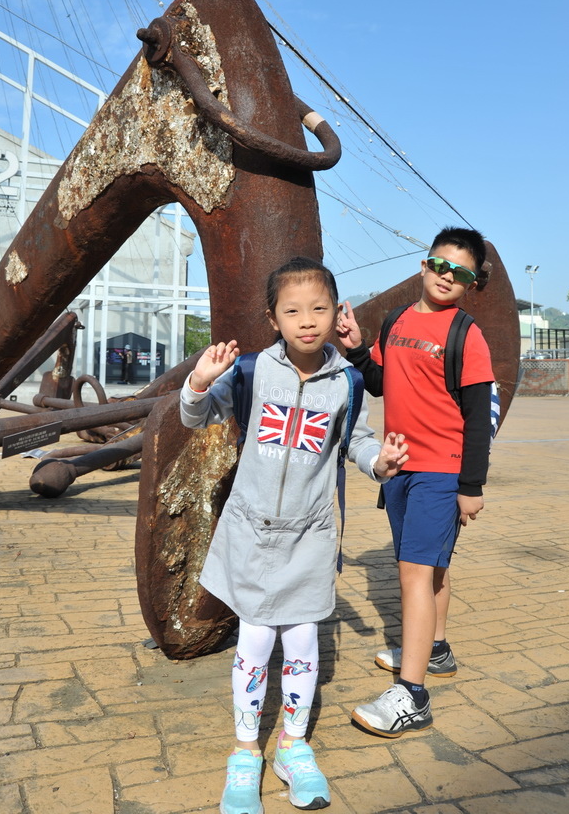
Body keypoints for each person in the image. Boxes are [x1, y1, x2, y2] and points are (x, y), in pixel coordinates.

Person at [180, 257, 408, 814]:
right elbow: (194, 416)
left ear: (336, 313)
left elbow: (353, 441)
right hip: (253, 532)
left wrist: (378, 462)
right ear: (273, 318)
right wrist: (197, 383)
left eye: (320, 308)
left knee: (303, 640)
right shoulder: (254, 371)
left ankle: (292, 747)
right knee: (256, 641)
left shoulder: (348, 381)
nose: (308, 320)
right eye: (293, 310)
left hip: (309, 533)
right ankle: (243, 756)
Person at [337, 227, 495, 739]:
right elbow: (381, 383)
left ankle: (413, 695)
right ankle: (437, 648)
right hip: (400, 466)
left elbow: (477, 417)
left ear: (472, 283)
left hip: (442, 470)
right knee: (432, 569)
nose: (448, 276)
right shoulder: (397, 319)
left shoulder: (467, 335)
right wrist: (359, 350)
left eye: (462, 272)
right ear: (424, 265)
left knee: (412, 573)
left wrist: (471, 486)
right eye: (440, 265)